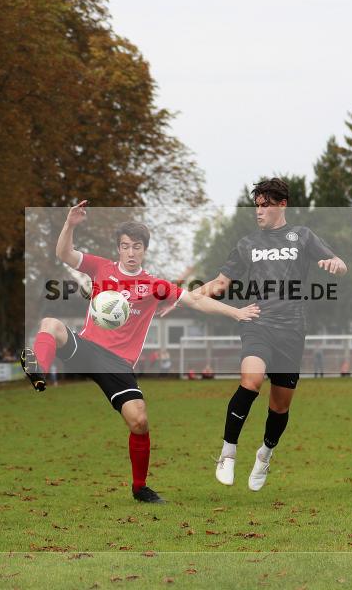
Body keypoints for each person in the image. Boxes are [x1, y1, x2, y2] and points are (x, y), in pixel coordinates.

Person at [20, 200, 260, 504]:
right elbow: (64, 254)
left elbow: (197, 301)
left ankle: (139, 487)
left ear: (144, 249)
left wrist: (235, 313)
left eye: (136, 246)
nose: (131, 252)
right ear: (118, 249)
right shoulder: (100, 268)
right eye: (125, 246)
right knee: (51, 323)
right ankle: (37, 368)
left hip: (118, 364)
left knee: (139, 421)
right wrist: (70, 224)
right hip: (88, 346)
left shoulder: (153, 285)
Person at [178, 178, 347, 491]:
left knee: (280, 406)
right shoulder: (247, 244)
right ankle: (228, 452)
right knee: (251, 381)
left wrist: (335, 264)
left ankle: (265, 454)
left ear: (282, 205)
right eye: (257, 206)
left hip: (293, 330)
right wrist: (182, 296)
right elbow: (218, 285)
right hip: (257, 323)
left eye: (266, 205)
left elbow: (339, 262)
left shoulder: (303, 237)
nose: (260, 211)